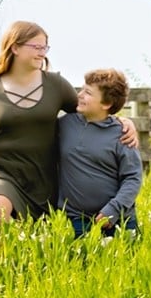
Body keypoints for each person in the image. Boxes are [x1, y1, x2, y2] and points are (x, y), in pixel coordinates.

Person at [0, 21, 138, 225]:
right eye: (36, 47)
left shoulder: (56, 85)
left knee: (35, 235)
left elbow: (92, 110)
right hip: (1, 169)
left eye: (45, 47)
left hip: (43, 177)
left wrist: (122, 120)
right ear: (15, 47)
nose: (42, 53)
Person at [58, 68, 143, 240]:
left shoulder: (123, 134)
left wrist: (113, 210)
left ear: (106, 104)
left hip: (119, 220)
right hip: (77, 220)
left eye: (88, 93)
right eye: (82, 89)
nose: (79, 95)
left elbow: (133, 178)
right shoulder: (64, 125)